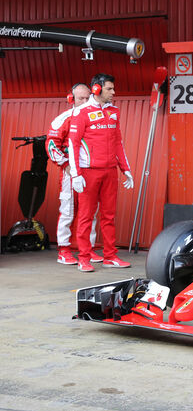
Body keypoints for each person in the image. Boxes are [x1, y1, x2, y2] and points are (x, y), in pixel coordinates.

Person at [68, 73, 134, 272]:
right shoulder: (81, 112)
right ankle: (84, 258)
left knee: (108, 216)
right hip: (88, 173)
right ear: (96, 89)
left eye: (113, 88)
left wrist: (126, 169)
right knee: (86, 216)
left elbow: (118, 143)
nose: (113, 92)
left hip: (109, 172)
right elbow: (73, 143)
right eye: (109, 89)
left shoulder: (114, 111)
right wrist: (76, 174)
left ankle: (110, 256)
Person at [46, 83, 103, 265]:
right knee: (68, 210)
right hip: (70, 173)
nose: (85, 101)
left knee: (90, 211)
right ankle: (64, 250)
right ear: (71, 99)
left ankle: (88, 249)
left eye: (88, 98)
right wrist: (66, 165)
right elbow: (51, 145)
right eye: (81, 99)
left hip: (91, 172)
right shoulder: (63, 119)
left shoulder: (97, 117)